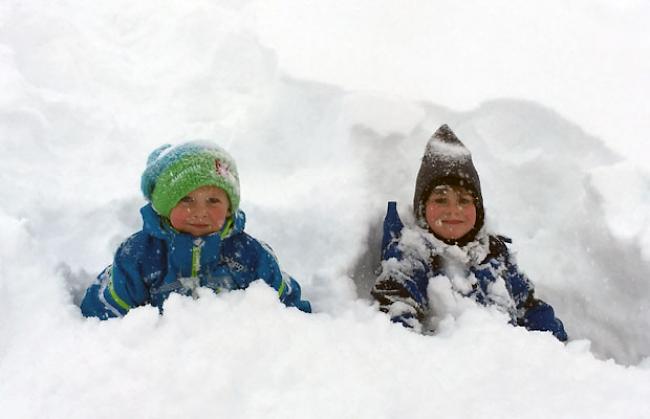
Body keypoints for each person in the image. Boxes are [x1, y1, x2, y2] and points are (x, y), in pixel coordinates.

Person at [371, 124, 567, 341]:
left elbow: (528, 306)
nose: (453, 210)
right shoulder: (413, 252)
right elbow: (398, 308)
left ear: (479, 211)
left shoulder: (494, 253)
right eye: (440, 199)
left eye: (464, 200)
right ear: (422, 208)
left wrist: (553, 344)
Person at [81, 141, 311, 319]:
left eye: (213, 200)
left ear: (230, 208)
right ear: (164, 207)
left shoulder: (251, 255)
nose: (200, 212)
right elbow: (105, 313)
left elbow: (290, 312)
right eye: (186, 200)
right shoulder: (138, 256)